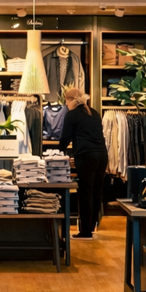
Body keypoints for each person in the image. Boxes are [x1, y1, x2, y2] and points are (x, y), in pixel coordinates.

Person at [58, 87, 107, 239]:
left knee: (85, 192)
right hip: (102, 156)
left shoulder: (72, 115)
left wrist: (57, 153)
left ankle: (85, 231)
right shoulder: (94, 113)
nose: (66, 105)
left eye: (66, 101)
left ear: (70, 101)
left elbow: (65, 137)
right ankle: (91, 227)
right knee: (96, 192)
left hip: (86, 157)